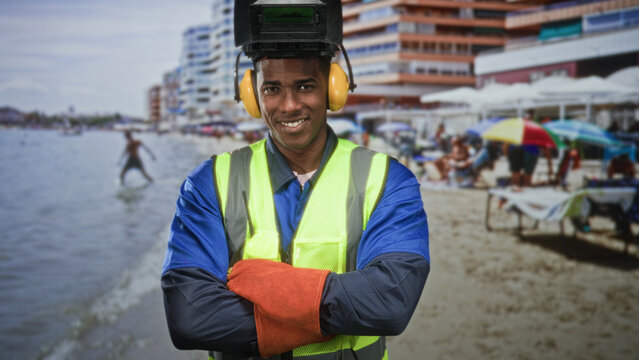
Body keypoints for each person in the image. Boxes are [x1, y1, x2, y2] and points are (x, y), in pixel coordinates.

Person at [161, 2, 429, 359]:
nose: (288, 105)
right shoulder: (210, 182)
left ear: (334, 89)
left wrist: (279, 292)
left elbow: (389, 302)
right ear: (252, 94)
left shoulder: (387, 180)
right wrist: (336, 311)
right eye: (271, 88)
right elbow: (190, 317)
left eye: (305, 86)